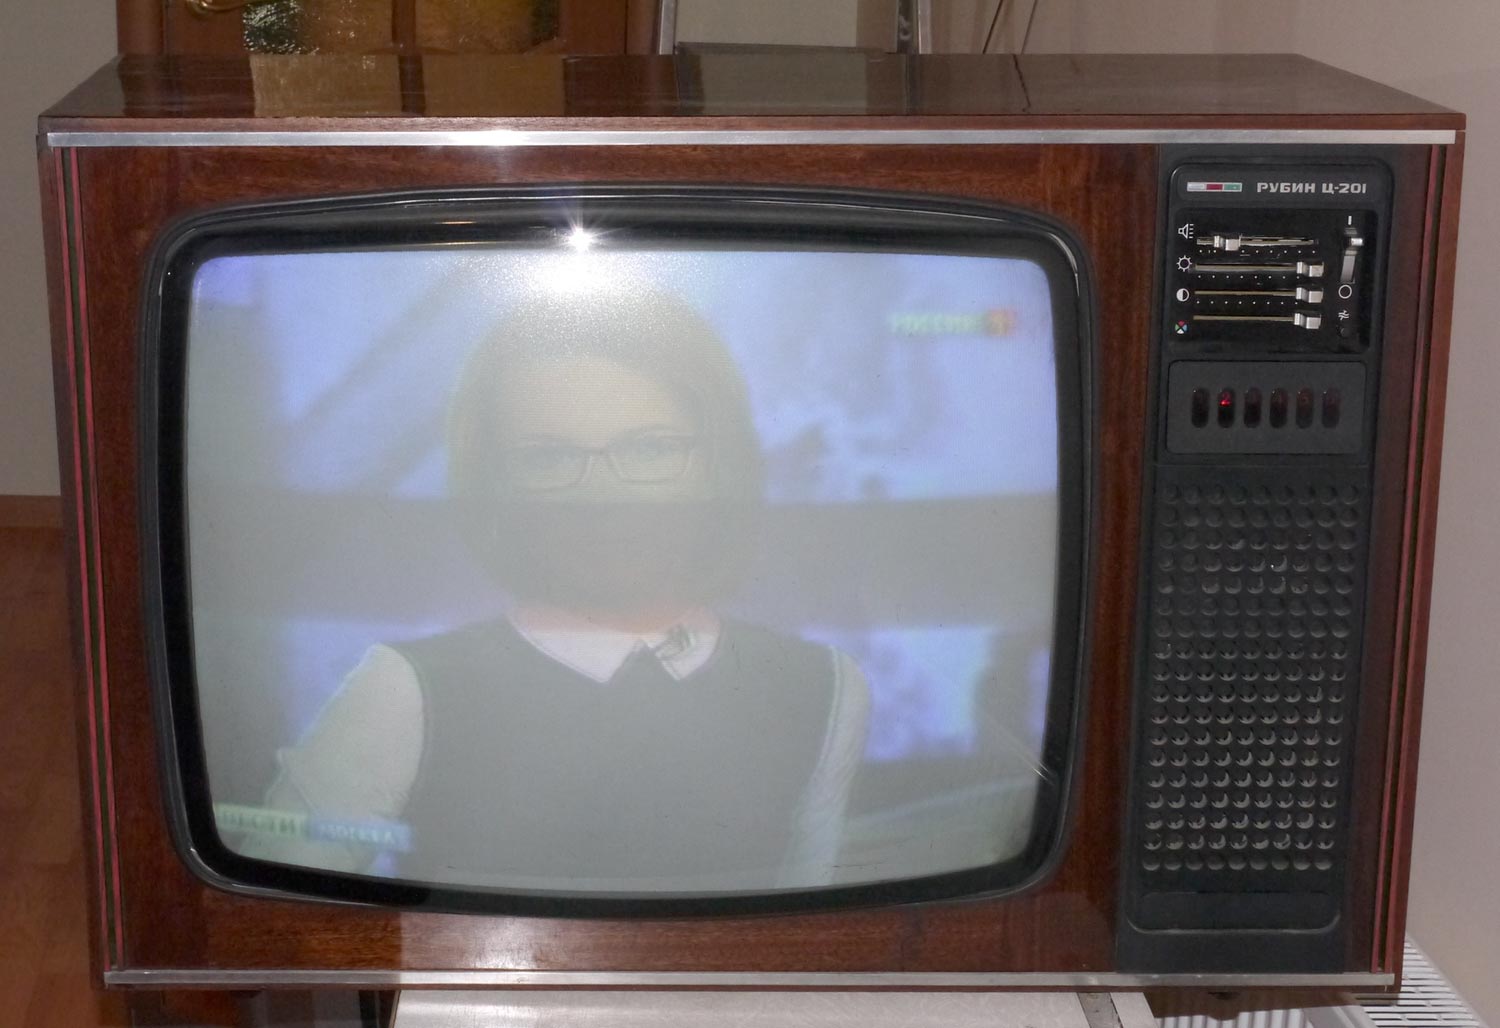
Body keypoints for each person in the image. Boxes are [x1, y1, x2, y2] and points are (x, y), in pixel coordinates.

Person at [241, 285, 870, 893]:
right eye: (549, 457)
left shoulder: (825, 686)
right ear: (498, 487)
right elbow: (277, 920)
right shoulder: (402, 688)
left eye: (649, 449)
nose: (602, 497)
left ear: (718, 464)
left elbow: (807, 927)